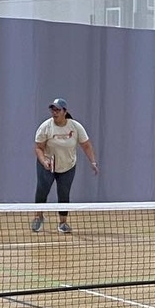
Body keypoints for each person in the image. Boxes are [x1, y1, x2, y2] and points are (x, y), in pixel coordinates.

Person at [32, 98, 98, 233]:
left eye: (58, 110)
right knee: (42, 191)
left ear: (65, 111)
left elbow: (86, 145)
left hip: (67, 166)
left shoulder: (75, 127)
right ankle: (38, 217)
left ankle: (63, 223)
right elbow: (39, 147)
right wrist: (44, 161)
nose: (54, 113)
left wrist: (93, 162)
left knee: (64, 194)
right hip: (47, 166)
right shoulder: (46, 127)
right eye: (53, 110)